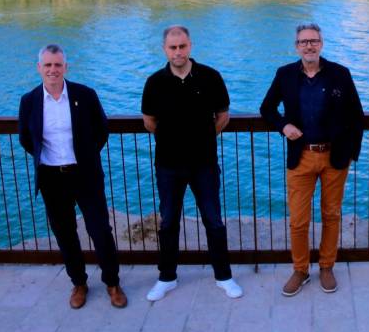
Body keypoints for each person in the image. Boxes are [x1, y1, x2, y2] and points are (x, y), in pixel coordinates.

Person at [18, 44, 127, 309]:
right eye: (48, 65)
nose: (53, 70)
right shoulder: (29, 101)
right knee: (65, 233)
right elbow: (26, 139)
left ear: (66, 67)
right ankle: (79, 283)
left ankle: (112, 283)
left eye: (58, 65)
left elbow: (101, 131)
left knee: (100, 230)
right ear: (39, 68)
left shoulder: (85, 95)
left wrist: (85, 157)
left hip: (85, 174)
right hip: (52, 178)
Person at [260, 23, 364, 297]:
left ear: (321, 44)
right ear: (296, 46)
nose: (309, 45)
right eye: (304, 41)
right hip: (301, 157)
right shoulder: (285, 75)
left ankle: (327, 266)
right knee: (298, 219)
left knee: (331, 215)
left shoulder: (340, 74)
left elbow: (356, 116)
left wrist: (352, 153)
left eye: (314, 41)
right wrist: (283, 126)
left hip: (334, 156)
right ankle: (301, 270)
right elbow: (266, 108)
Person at [141, 25, 243, 301]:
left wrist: (204, 136)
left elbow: (223, 115)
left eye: (182, 46)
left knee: (214, 221)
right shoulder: (154, 82)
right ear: (165, 49)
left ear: (190, 46)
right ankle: (167, 278)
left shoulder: (210, 77)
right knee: (168, 222)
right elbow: (149, 121)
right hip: (168, 165)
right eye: (173, 47)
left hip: (204, 164)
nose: (178, 51)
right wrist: (172, 137)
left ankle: (224, 276)